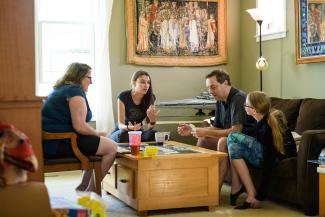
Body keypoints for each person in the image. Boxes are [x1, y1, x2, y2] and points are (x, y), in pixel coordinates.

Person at [42, 62, 117, 192]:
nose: (91, 82)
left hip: (51, 142)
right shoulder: (74, 92)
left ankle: (83, 187)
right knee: (112, 147)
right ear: (79, 77)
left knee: (101, 144)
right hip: (60, 143)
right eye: (89, 77)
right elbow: (80, 126)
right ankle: (91, 190)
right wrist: (98, 133)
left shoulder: (61, 89)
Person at [177, 69, 256, 191]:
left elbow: (236, 131)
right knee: (203, 139)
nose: (210, 92)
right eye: (208, 88)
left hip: (247, 141)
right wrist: (193, 129)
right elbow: (217, 126)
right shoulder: (220, 100)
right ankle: (201, 185)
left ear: (225, 83)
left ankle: (214, 192)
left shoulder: (238, 98)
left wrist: (206, 131)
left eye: (213, 87)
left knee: (221, 141)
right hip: (230, 139)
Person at [227, 91, 297, 209]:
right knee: (234, 146)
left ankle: (249, 192)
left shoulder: (267, 128)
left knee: (232, 136)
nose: (244, 106)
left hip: (275, 159)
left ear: (254, 110)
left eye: (246, 104)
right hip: (271, 155)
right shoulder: (262, 118)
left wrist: (261, 196)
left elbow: (268, 163)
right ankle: (250, 192)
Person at [109, 70, 158, 143]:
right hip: (123, 131)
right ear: (134, 82)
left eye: (148, 82)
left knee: (154, 134)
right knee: (123, 136)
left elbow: (149, 127)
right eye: (142, 82)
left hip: (138, 132)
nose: (146, 85)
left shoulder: (151, 97)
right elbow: (120, 125)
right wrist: (129, 127)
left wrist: (152, 121)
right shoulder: (123, 96)